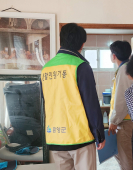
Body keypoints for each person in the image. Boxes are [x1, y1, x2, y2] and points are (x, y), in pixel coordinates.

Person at [41, 23, 105, 170]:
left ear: (61, 40)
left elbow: (46, 102)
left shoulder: (46, 68)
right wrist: (99, 135)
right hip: (79, 136)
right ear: (82, 44)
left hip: (55, 137)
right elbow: (91, 103)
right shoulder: (81, 65)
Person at [108, 41, 133, 170]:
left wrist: (114, 120)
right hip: (129, 120)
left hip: (126, 121)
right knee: (126, 156)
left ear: (113, 56)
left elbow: (122, 99)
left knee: (126, 159)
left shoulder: (124, 69)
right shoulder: (129, 67)